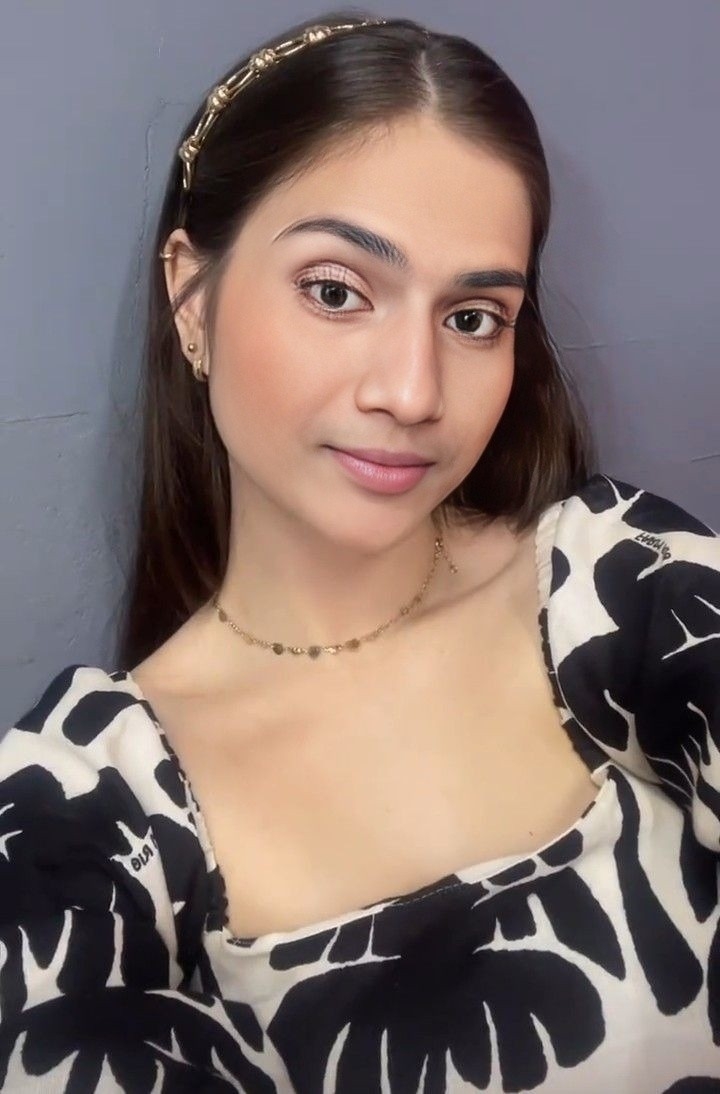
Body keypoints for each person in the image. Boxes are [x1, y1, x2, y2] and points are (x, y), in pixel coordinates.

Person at [1, 10, 718, 1092]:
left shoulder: (627, 585)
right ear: (190, 295)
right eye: (336, 291)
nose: (414, 392)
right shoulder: (82, 809)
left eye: (473, 317)